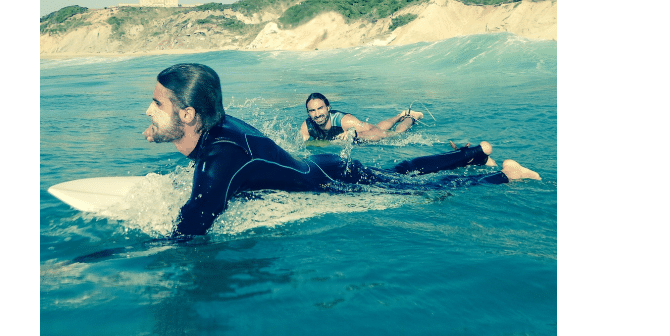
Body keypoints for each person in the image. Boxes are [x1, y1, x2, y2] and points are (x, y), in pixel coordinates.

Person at [143, 63, 541, 238]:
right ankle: (472, 155)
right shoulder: (218, 127)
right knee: (400, 171)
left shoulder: (221, 155)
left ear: (189, 114)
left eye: (157, 104)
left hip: (332, 179)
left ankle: (503, 175)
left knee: (415, 188)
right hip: (323, 165)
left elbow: (190, 229)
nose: (148, 110)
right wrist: (164, 129)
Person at [301, 92, 424, 142]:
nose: (317, 114)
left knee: (396, 134)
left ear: (328, 108)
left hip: (360, 136)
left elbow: (375, 131)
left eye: (320, 108)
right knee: (378, 126)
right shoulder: (307, 127)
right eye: (312, 110)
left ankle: (411, 117)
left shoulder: (345, 121)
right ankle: (400, 115)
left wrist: (354, 134)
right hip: (359, 133)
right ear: (308, 112)